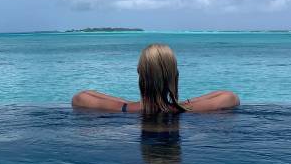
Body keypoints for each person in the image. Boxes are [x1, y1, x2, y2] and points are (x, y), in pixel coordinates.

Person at [71, 43, 240, 113]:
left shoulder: (125, 110)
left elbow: (82, 96)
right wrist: (183, 104)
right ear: (175, 75)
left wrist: (127, 104)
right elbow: (229, 96)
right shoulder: (186, 110)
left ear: (139, 71)